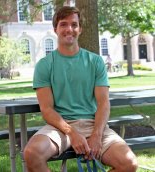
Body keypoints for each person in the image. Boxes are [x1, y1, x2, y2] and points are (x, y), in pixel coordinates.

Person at [24, 6, 138, 172]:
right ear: (55, 29)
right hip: (60, 127)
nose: (69, 29)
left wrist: (97, 136)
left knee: (129, 164)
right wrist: (71, 132)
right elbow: (47, 109)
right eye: (63, 24)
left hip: (94, 125)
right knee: (32, 153)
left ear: (80, 29)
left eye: (74, 24)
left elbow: (103, 103)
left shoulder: (96, 61)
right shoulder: (44, 65)